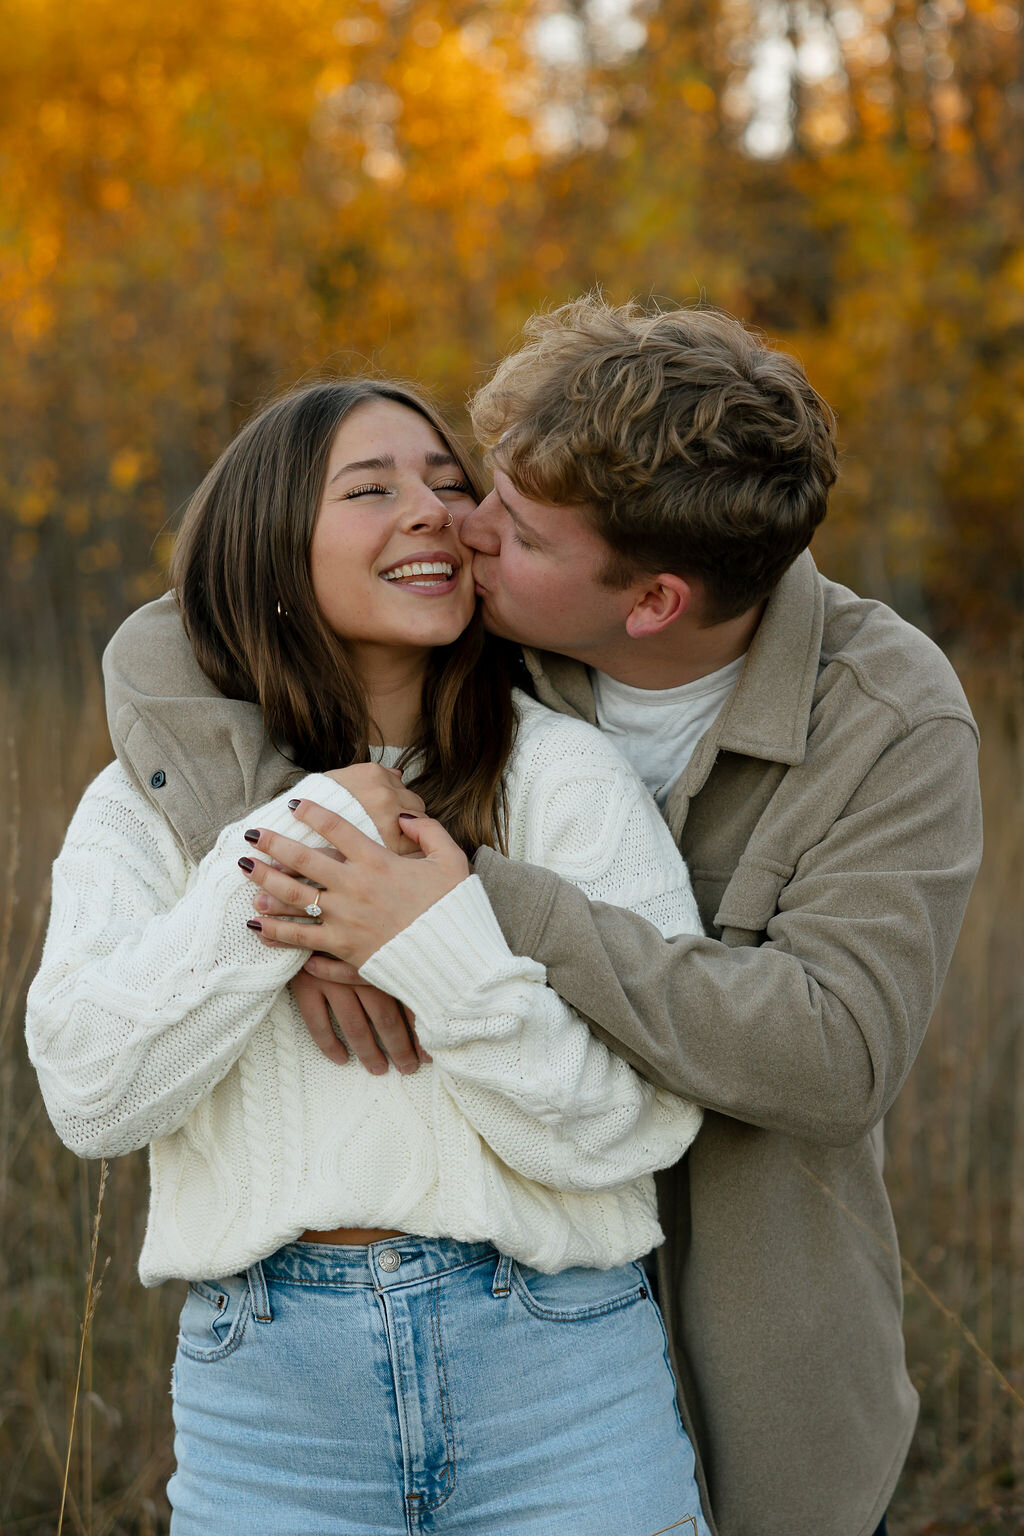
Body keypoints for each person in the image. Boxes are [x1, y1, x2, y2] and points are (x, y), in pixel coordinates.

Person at [101, 296, 983, 1536]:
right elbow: (175, 634)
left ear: (650, 603)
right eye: (487, 486)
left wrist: (459, 897)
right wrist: (307, 875)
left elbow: (835, 1053)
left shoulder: (885, 718)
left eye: (512, 528)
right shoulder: (483, 625)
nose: (461, 525)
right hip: (462, 1334)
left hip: (743, 1346)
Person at [26, 378, 717, 1536]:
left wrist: (430, 946)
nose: (431, 510)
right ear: (269, 546)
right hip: (271, 1413)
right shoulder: (150, 807)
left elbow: (639, 1125)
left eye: (449, 484)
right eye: (370, 490)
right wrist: (299, 852)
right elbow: (93, 1096)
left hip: (560, 1388)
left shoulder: (566, 777)